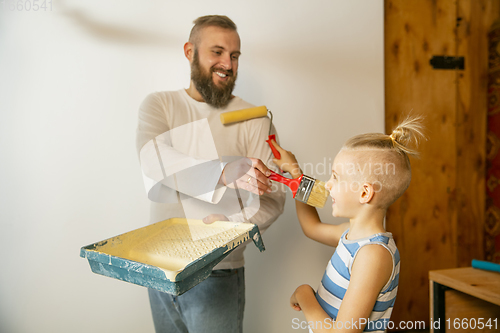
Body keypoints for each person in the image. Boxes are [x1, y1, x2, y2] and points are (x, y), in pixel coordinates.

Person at [136, 15, 286, 333]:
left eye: (234, 56)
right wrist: (223, 172)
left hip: (216, 272)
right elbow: (153, 161)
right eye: (217, 52)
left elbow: (273, 199)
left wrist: (229, 230)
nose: (227, 64)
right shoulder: (159, 105)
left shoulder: (255, 120)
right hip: (159, 269)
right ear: (190, 51)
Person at [270, 116, 425, 332]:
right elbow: (311, 227)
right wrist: (296, 174)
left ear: (364, 193)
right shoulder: (351, 234)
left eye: (336, 177)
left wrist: (305, 293)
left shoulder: (373, 255)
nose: (328, 184)